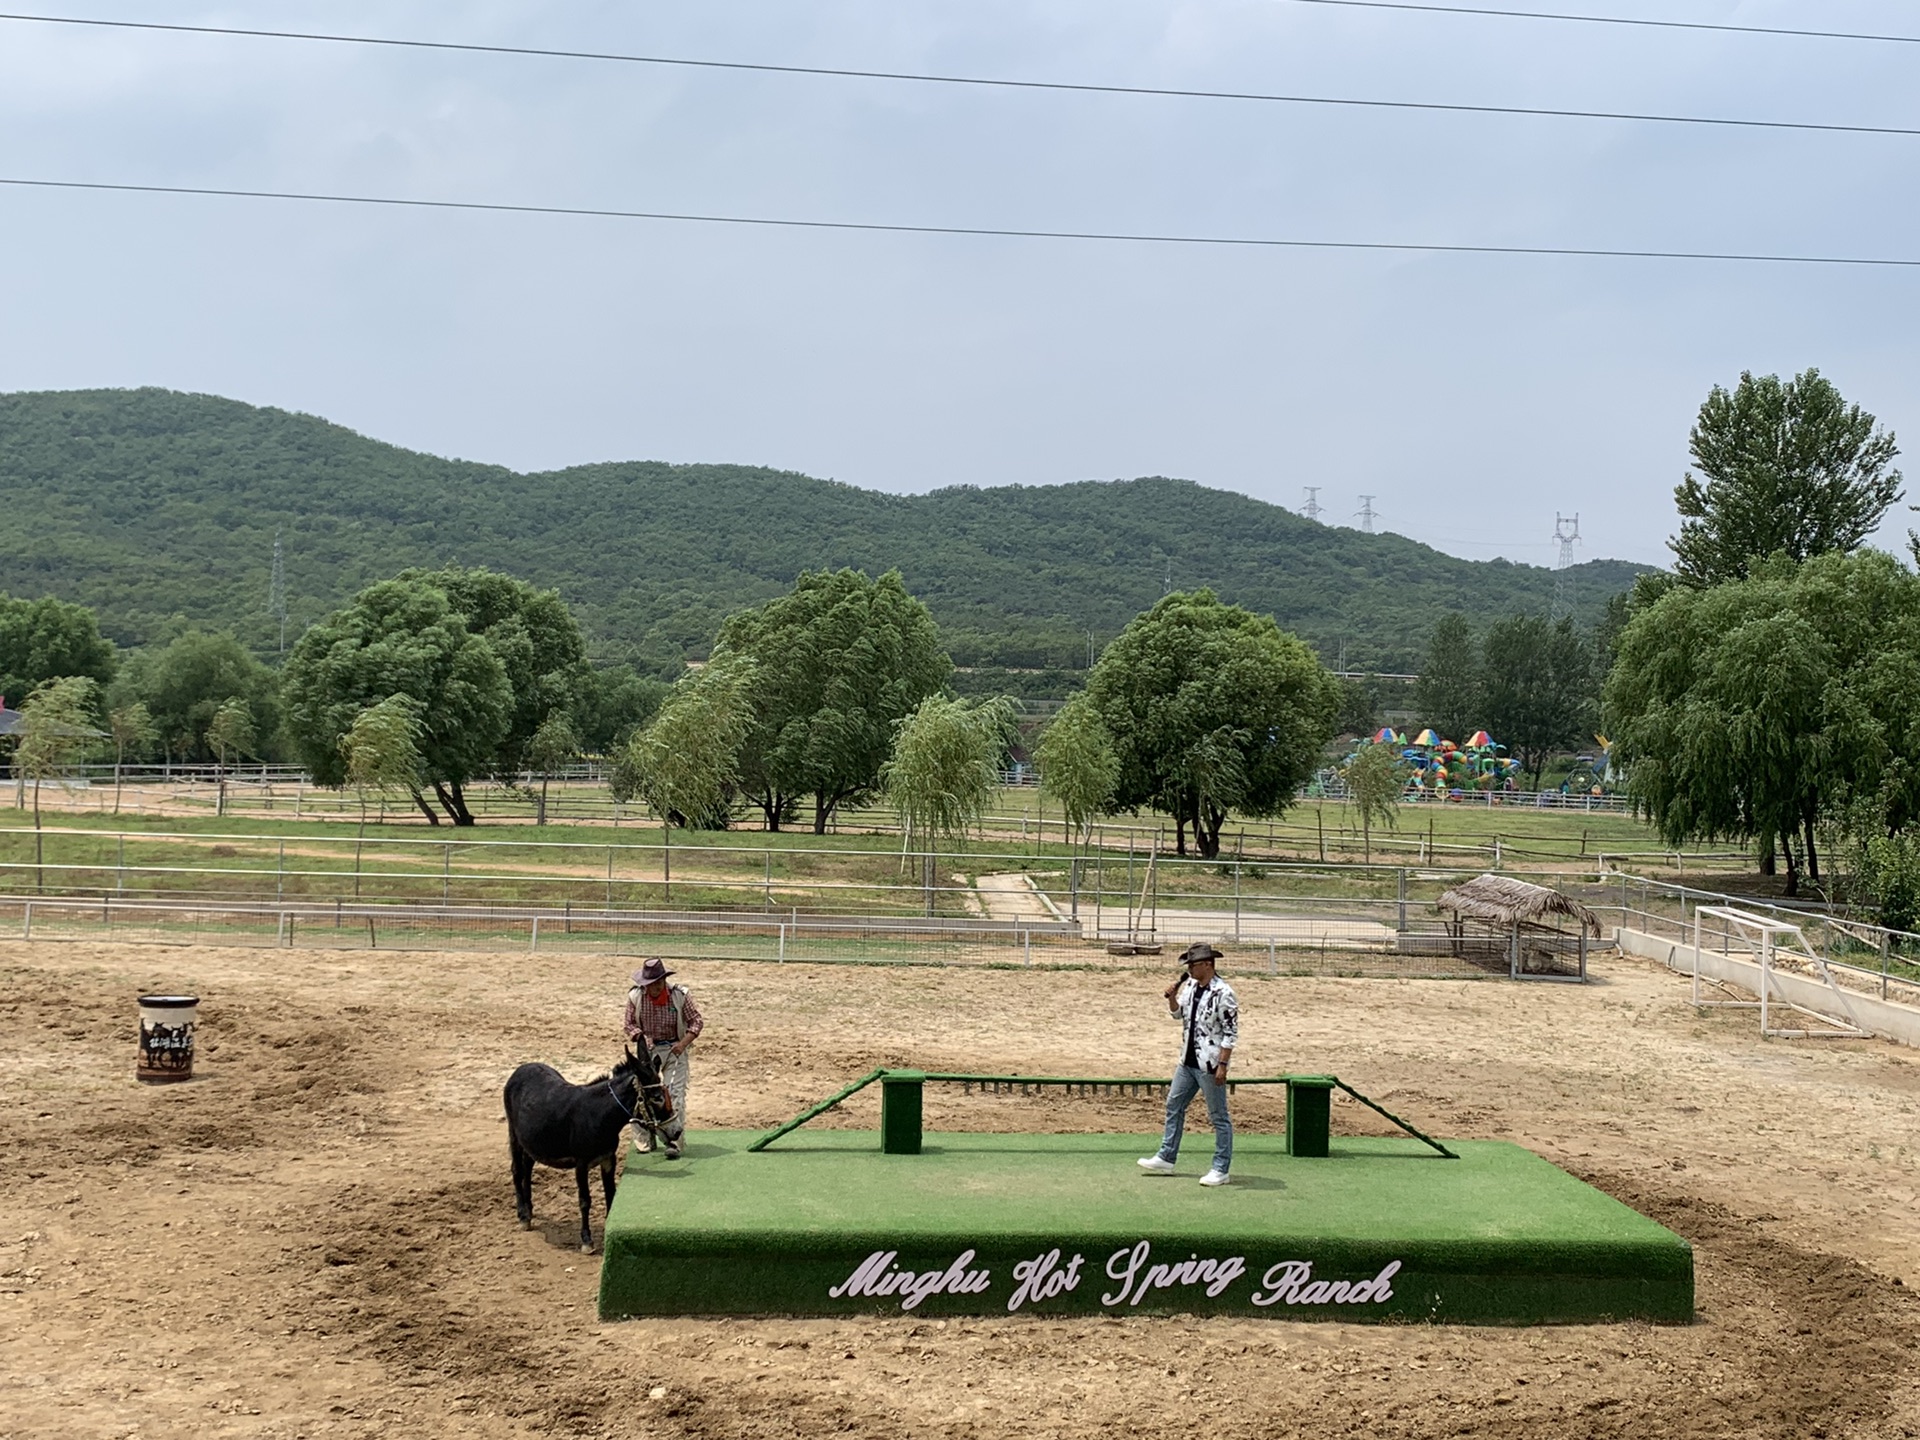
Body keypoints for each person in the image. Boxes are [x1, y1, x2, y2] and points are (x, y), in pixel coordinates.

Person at [1138, 941, 1237, 1186]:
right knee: (1174, 1104)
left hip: (1209, 1063)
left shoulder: (1224, 993)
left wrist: (1222, 1065)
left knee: (1218, 1116)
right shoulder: (1191, 986)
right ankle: (1166, 1156)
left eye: (1193, 964)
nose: (1189, 969)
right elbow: (1179, 1014)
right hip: (1187, 1060)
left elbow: (1230, 1033)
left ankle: (1220, 1168)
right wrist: (1172, 999)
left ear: (1207, 964)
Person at [621, 958, 704, 1159]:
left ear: (664, 979)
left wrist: (683, 1043)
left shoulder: (680, 996)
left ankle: (674, 1140)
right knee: (640, 1094)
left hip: (675, 1048)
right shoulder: (635, 997)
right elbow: (629, 1024)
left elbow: (696, 1022)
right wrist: (641, 1037)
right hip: (647, 1051)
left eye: (659, 982)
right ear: (644, 985)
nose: (655, 987)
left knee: (674, 1093)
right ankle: (644, 1138)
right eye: (651, 984)